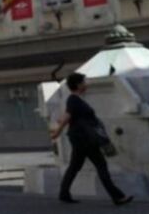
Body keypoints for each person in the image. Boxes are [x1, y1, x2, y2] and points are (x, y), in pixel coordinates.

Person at [50, 73, 133, 206]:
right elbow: (67, 118)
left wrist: (58, 127)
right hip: (84, 139)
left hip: (81, 138)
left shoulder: (75, 99)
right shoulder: (74, 99)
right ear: (78, 84)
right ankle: (117, 197)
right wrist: (57, 133)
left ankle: (64, 193)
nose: (86, 83)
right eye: (84, 81)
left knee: (75, 166)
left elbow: (67, 116)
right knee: (101, 165)